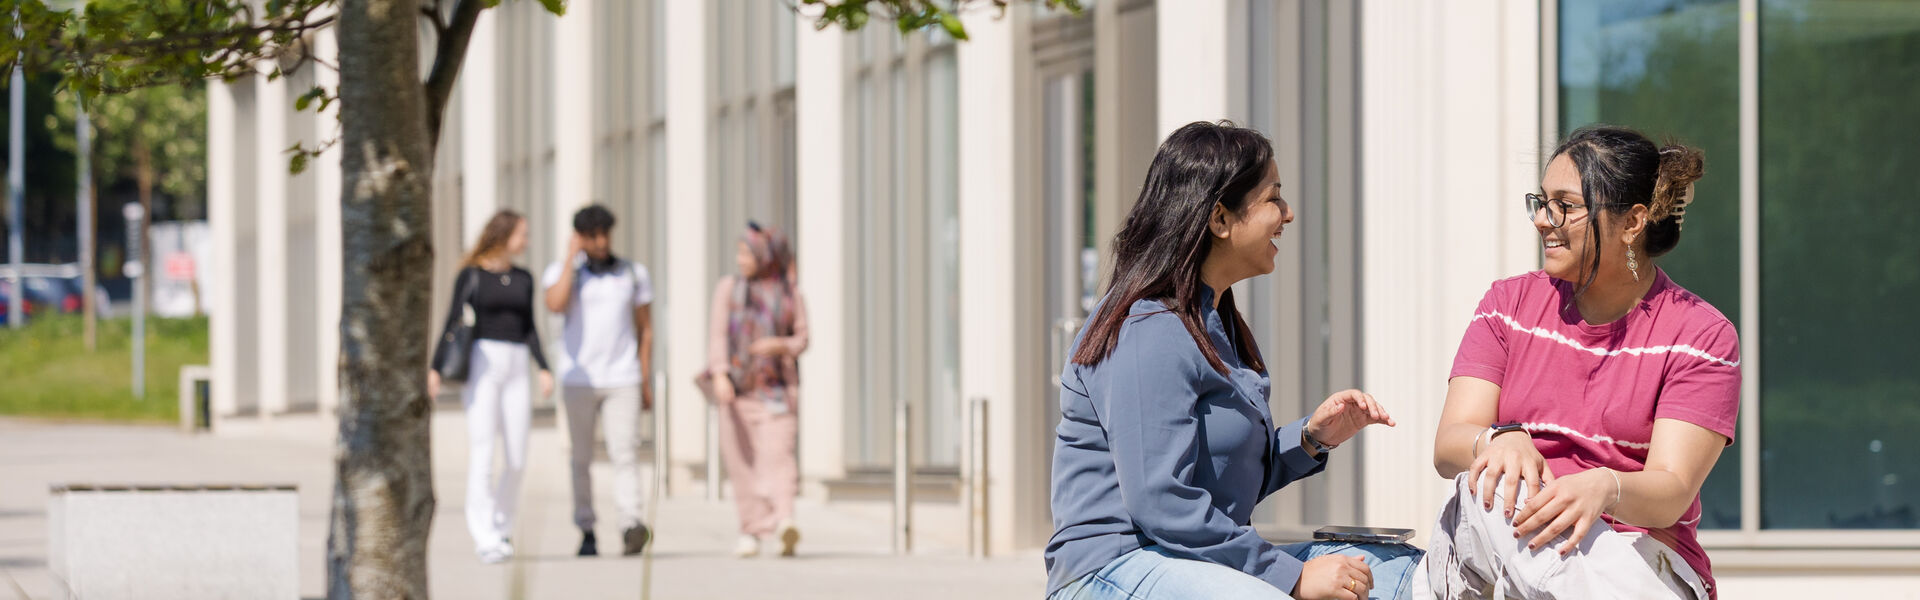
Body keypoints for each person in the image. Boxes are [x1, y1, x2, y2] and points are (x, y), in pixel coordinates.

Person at [1046, 121, 1422, 600]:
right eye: (1274, 198)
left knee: (1394, 574)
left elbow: (1221, 482)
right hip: (1116, 564)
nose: (1288, 214)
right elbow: (1161, 502)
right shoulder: (1149, 329)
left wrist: (1308, 439)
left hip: (1182, 556)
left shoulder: (1213, 321)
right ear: (1220, 219)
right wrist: (1293, 577)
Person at [1422, 125, 1730, 599]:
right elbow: (1449, 446)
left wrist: (1606, 487)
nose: (1544, 220)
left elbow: (1671, 491)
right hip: (1515, 543)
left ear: (1631, 223)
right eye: (1541, 202)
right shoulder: (1508, 305)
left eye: (1565, 205)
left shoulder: (1701, 335)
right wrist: (1500, 439)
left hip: (1640, 558)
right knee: (1488, 487)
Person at [429, 209, 554, 564]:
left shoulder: (524, 278)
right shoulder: (471, 276)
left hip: (517, 366)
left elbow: (529, 326)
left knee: (516, 456)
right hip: (483, 364)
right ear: (504, 235)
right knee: (483, 450)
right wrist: (435, 368)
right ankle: (484, 535)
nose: (526, 241)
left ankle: (501, 527)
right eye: (522, 234)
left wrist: (543, 367)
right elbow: (452, 321)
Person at [542, 204, 656, 558]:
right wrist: (569, 260)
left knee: (625, 452)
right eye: (592, 236)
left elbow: (645, 329)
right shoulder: (564, 274)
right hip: (578, 380)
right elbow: (555, 304)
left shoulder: (632, 274)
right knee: (581, 458)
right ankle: (586, 527)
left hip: (622, 377)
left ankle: (631, 524)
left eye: (605, 234)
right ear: (580, 238)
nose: (601, 241)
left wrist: (645, 378)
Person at [707, 223, 809, 558]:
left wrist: (778, 345)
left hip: (777, 391)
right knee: (742, 463)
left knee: (779, 458)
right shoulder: (728, 289)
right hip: (737, 392)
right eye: (739, 252)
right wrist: (719, 373)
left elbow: (802, 338)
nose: (741, 259)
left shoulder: (789, 293)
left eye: (746, 253)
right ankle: (750, 529)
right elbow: (718, 335)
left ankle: (783, 521)